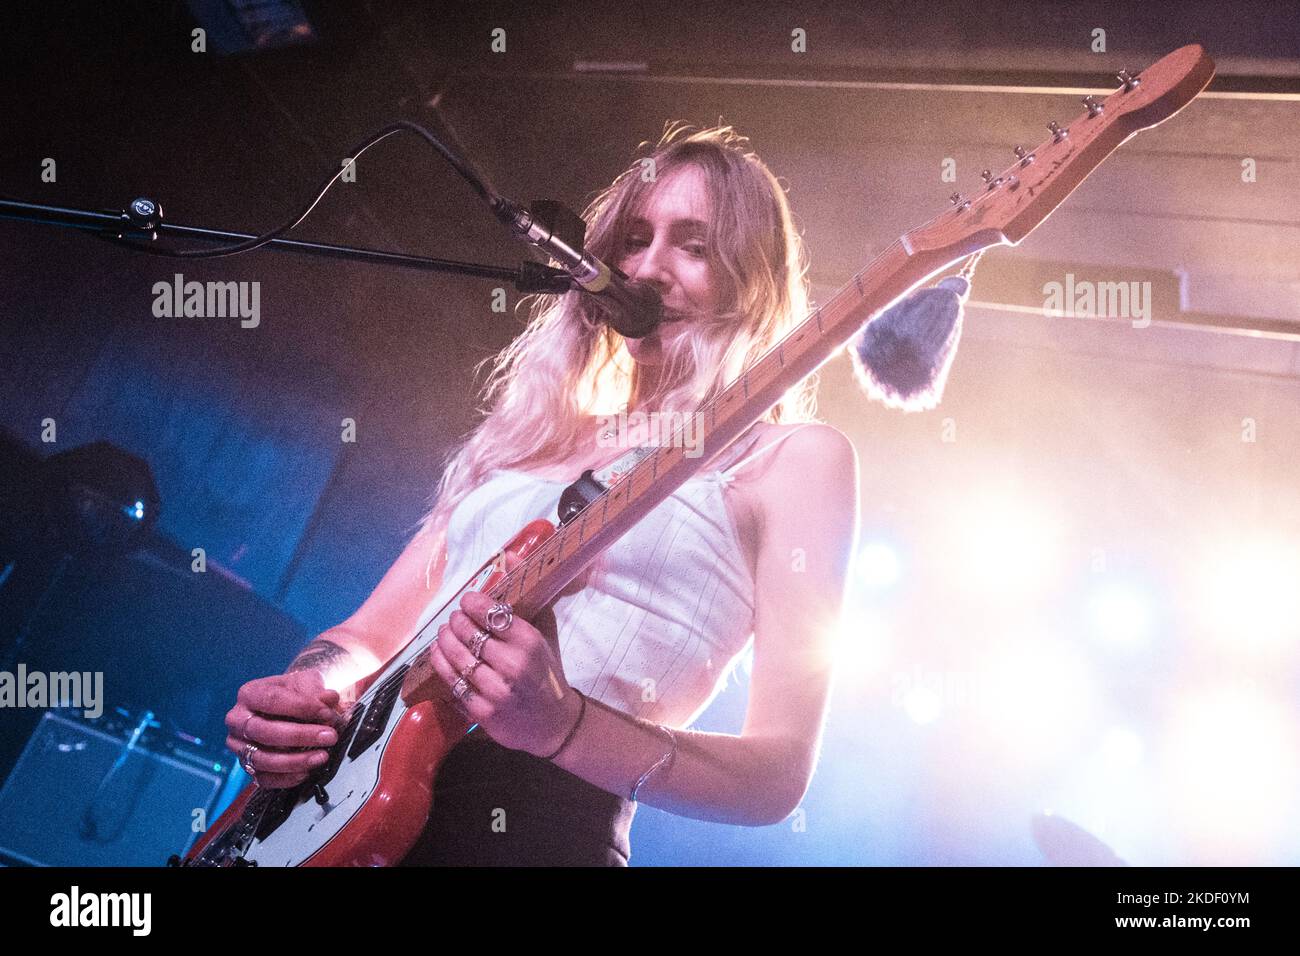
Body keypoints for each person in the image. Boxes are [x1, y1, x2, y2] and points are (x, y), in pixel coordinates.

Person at [223, 122, 860, 865]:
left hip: (533, 830)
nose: (649, 269)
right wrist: (305, 695)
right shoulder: (536, 438)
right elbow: (366, 637)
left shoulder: (793, 458)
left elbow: (776, 777)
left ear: (755, 277)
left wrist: (563, 723)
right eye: (632, 240)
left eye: (694, 245)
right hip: (338, 813)